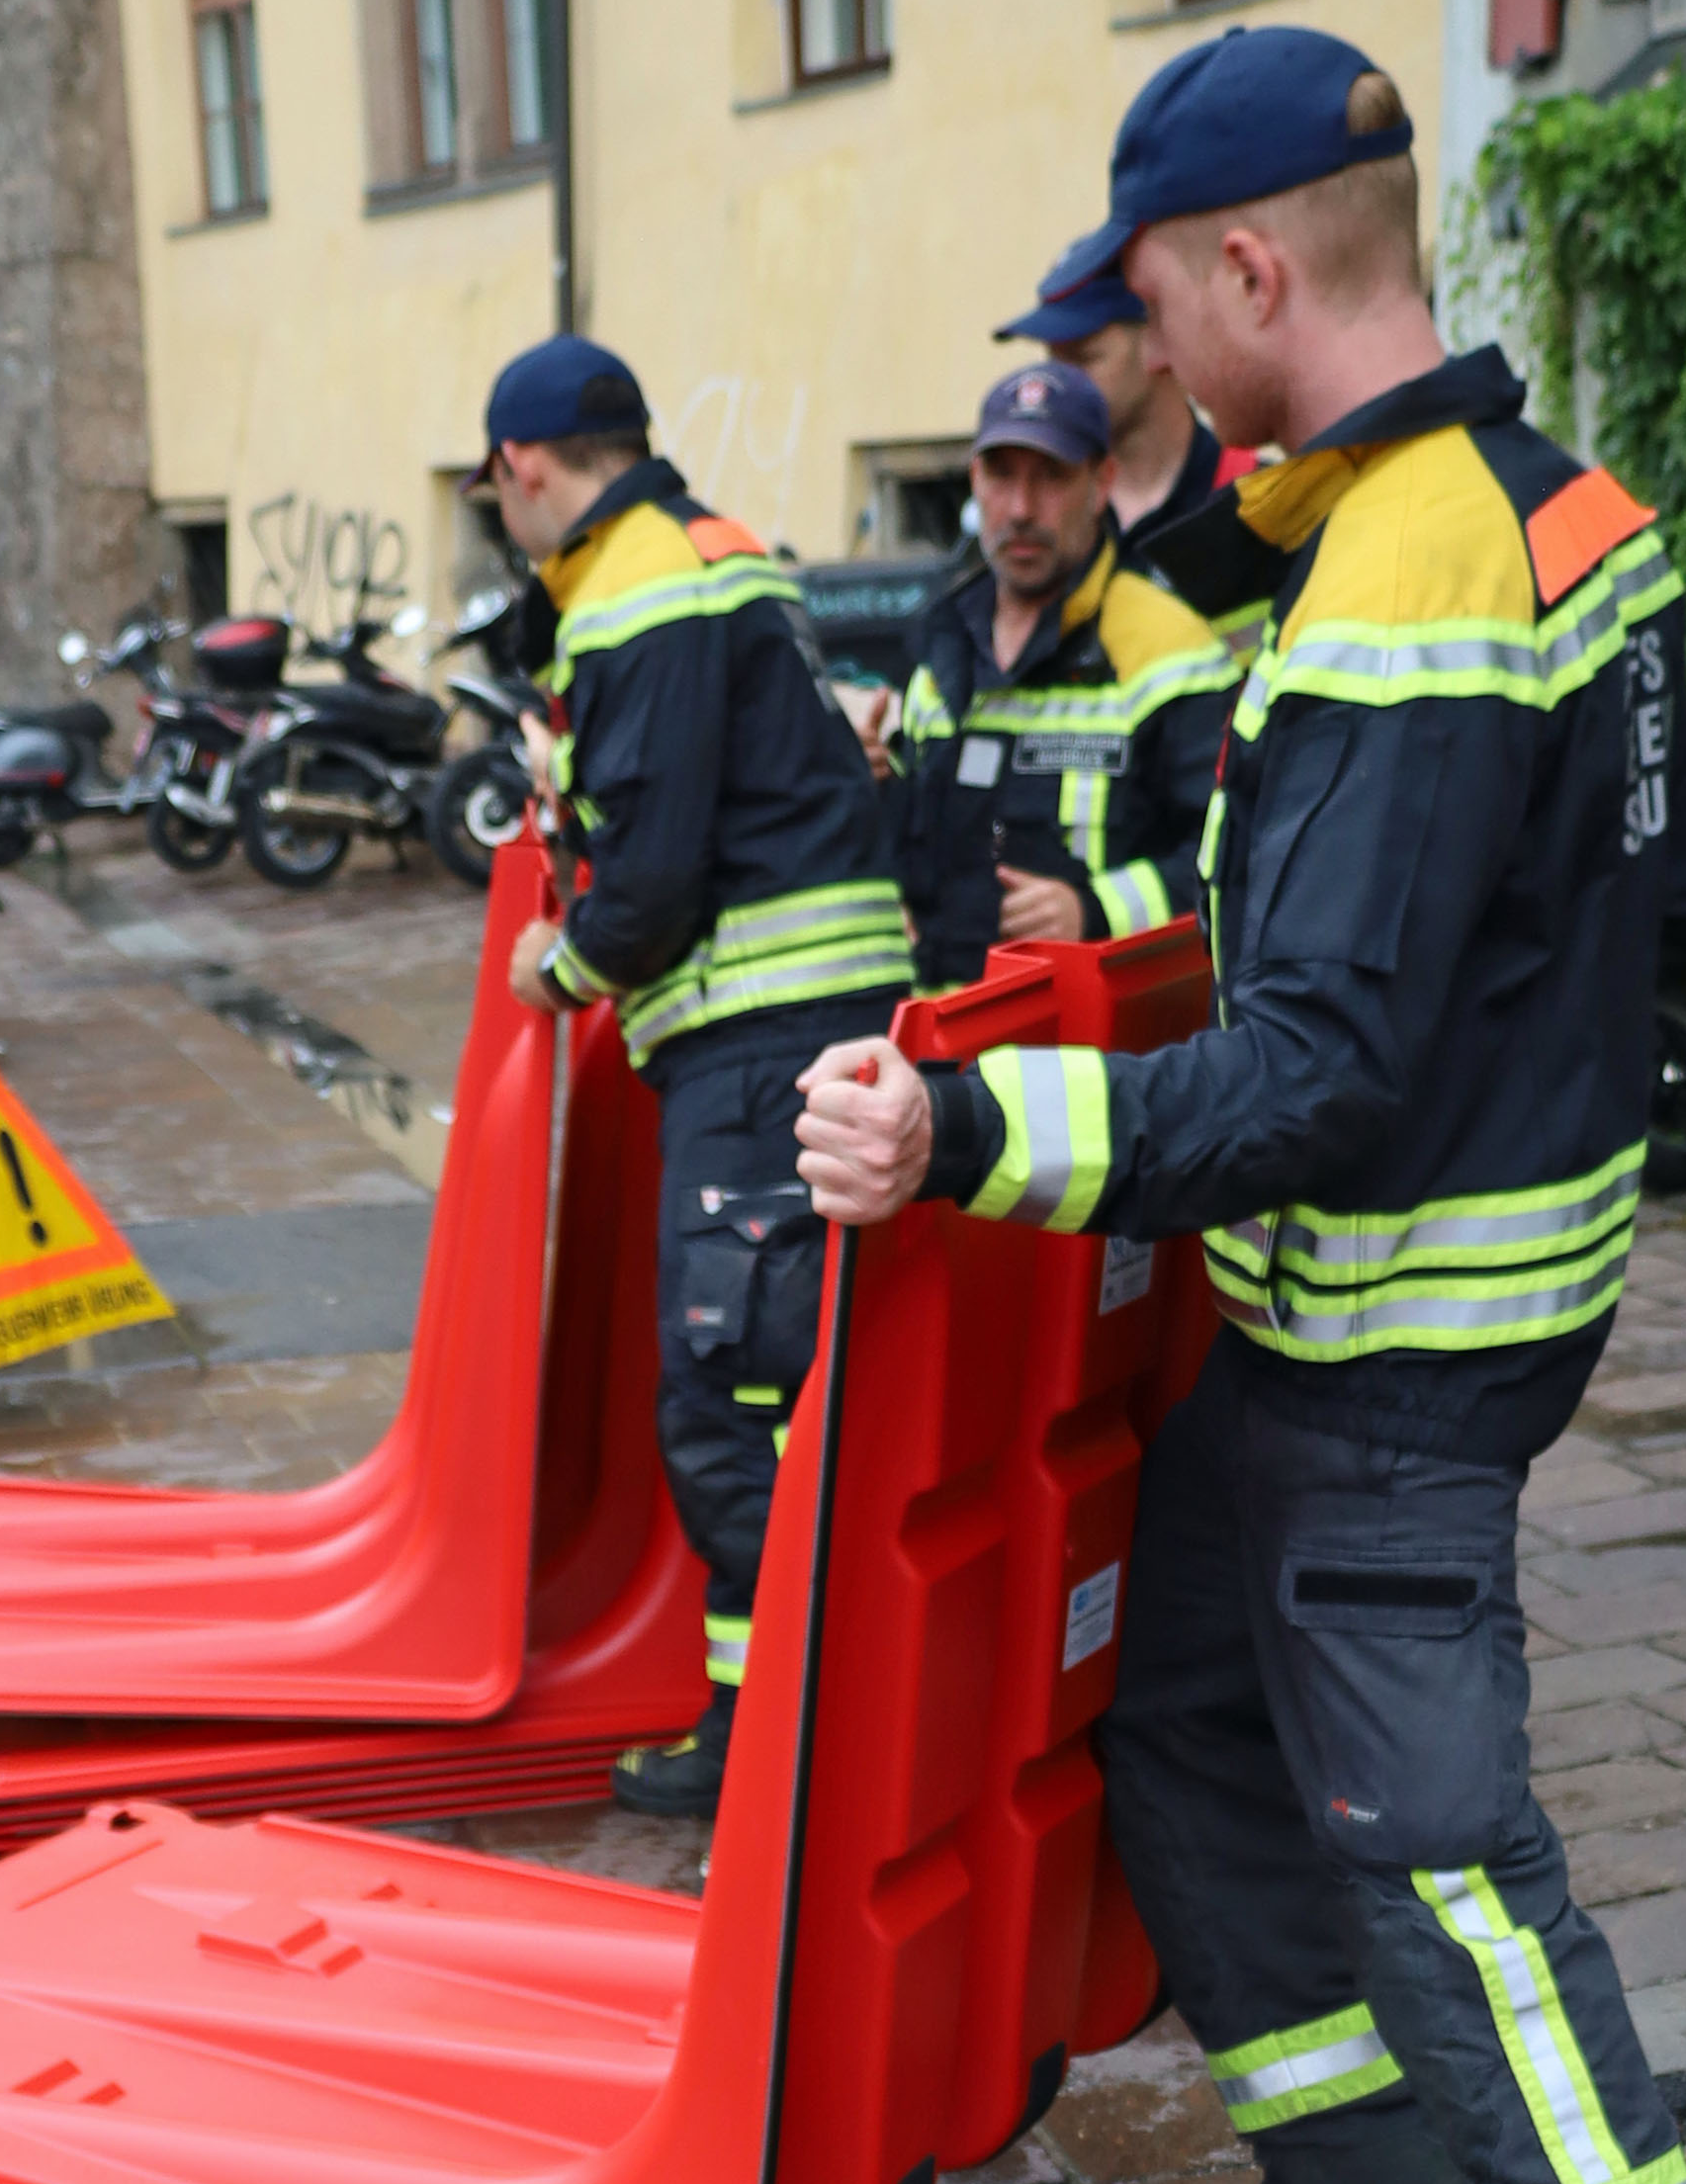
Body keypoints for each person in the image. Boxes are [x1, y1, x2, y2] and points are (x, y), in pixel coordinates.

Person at [788, 30, 1686, 2184]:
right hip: (1447, 1285)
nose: (1115, 366)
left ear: (1247, 271)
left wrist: (966, 1134)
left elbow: (1321, 1066)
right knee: (1186, 1727)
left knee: (1442, 1857)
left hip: (1399, 1326)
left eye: (1138, 308)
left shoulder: (1410, 588)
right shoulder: (1524, 500)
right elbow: (1668, 880)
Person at [476, 333, 910, 1816]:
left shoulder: (635, 588)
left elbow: (651, 883)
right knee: (785, 1391)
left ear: (522, 469)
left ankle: (775, 1750)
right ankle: (770, 1726)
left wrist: (564, 966)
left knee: (730, 1396)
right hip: (827, 1027)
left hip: (753, 1049)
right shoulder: (726, 552)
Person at [870, 360, 1231, 987]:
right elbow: (927, 861)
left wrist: (1092, 910)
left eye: (1052, 478)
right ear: (974, 480)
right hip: (942, 1048)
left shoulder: (1167, 647)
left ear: (1102, 483)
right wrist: (874, 786)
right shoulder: (944, 645)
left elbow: (1232, 856)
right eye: (1001, 475)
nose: (1021, 508)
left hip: (1091, 1055)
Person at [1003, 227, 1258, 552]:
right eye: (1053, 362)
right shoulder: (1036, 518)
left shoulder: (1256, 501)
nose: (1062, 386)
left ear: (1162, 341)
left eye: (1084, 359)